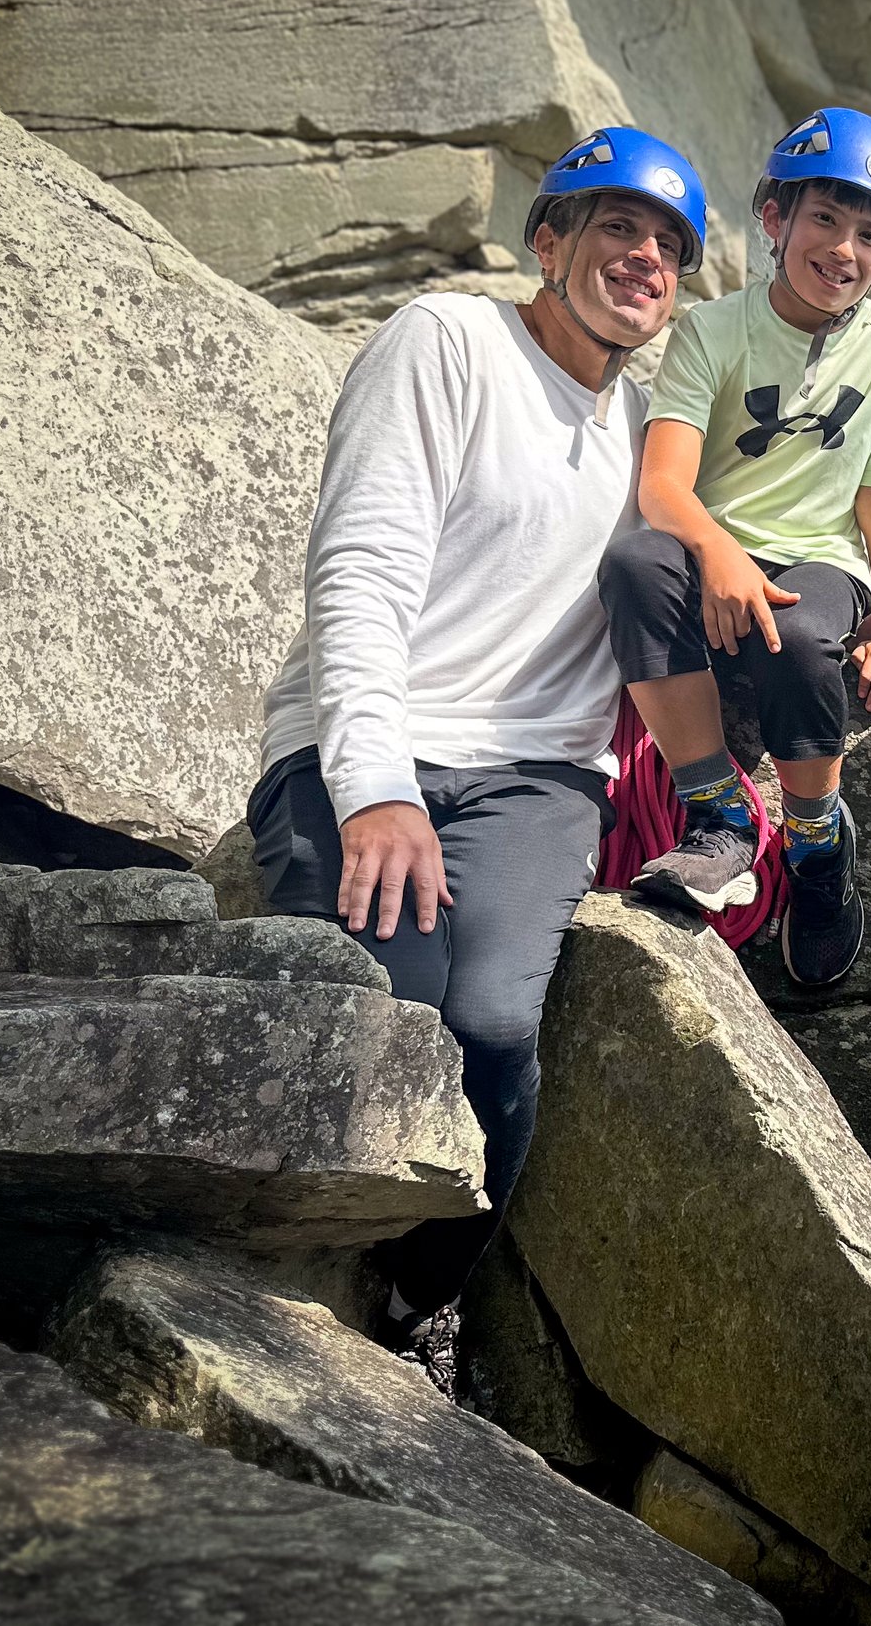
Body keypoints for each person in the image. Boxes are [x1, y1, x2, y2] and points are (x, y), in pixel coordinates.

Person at [250, 127, 709, 1329]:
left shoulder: (649, 434)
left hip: (534, 777)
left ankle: (420, 1300)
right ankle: (281, 1280)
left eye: (670, 245)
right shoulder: (445, 341)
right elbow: (358, 568)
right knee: (383, 1008)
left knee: (493, 1022)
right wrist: (375, 789)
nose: (646, 257)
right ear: (547, 240)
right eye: (617, 226)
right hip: (363, 745)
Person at [599, 107, 871, 987]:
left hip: (822, 557)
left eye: (869, 234)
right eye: (824, 218)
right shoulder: (712, 331)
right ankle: (721, 817)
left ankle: (819, 843)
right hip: (714, 547)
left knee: (807, 641)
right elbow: (664, 487)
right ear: (776, 219)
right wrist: (719, 554)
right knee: (632, 566)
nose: (845, 250)